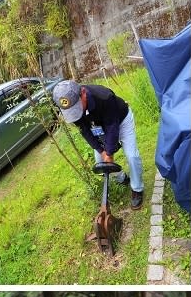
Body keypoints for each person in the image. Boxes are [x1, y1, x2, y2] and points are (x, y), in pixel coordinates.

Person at [52, 79, 145, 209]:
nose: (76, 113)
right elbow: (85, 131)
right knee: (100, 160)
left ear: (83, 93)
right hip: (97, 127)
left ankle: (137, 188)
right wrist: (101, 151)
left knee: (132, 156)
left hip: (121, 120)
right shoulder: (72, 109)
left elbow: (112, 127)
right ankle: (122, 178)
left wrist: (109, 151)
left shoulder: (104, 97)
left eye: (77, 107)